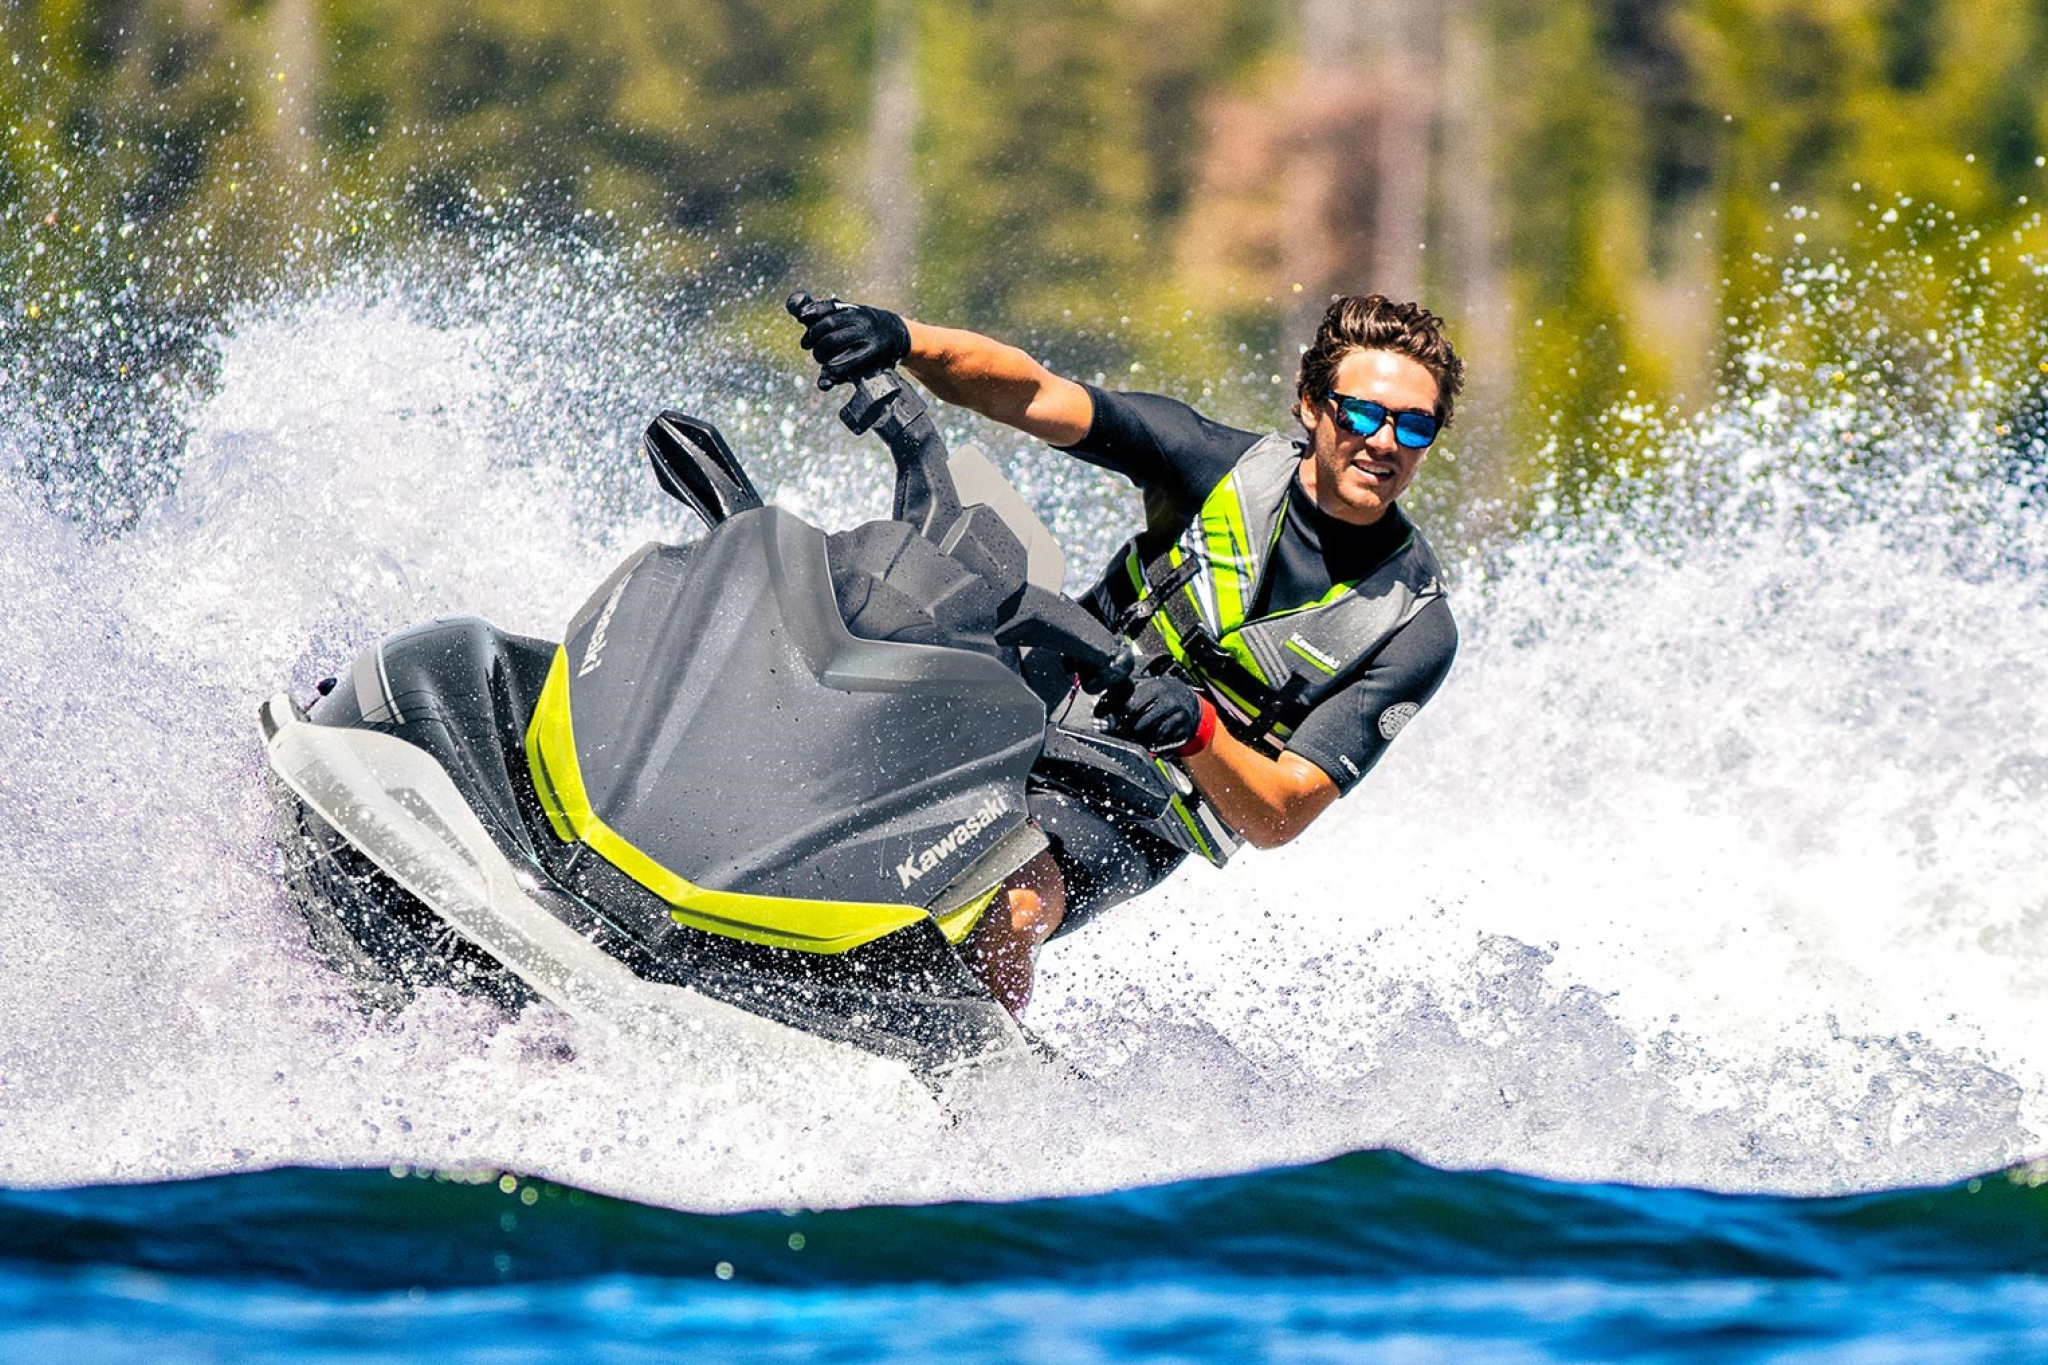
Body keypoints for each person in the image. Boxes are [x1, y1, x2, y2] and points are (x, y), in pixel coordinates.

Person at [794, 293, 1463, 1012]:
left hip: (1130, 806)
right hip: (1025, 695)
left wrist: (1198, 729)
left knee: (1011, 904)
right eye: (1361, 413)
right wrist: (901, 338)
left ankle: (972, 1089)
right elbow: (1033, 393)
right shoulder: (1210, 463)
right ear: (1311, 403)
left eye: (1414, 425)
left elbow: (1282, 812)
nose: (1385, 441)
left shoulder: (1413, 626)